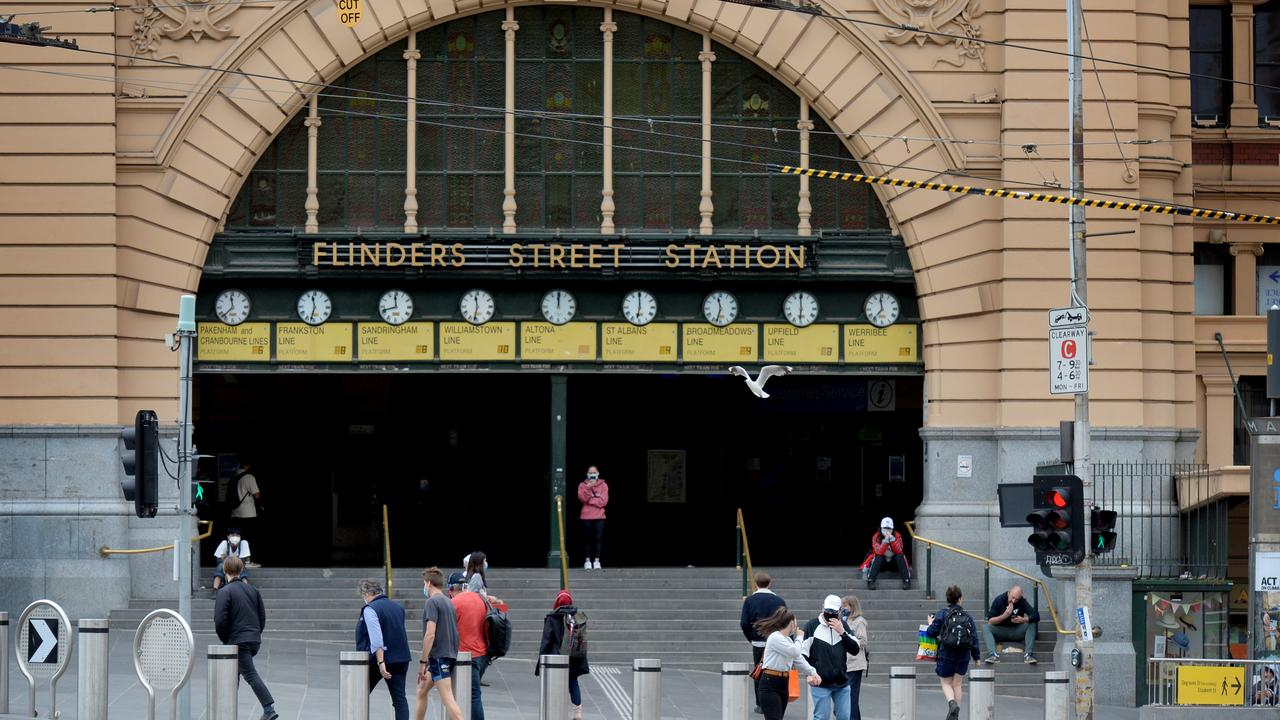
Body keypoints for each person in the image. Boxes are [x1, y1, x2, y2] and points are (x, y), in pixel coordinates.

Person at [213, 556, 278, 720]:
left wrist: (225, 639)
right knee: (233, 672)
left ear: (224, 571)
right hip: (253, 639)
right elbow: (262, 617)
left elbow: (220, 620)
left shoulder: (224, 591)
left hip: (237, 641)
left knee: (249, 673)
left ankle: (268, 709)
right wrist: (255, 634)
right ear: (241, 570)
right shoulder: (253, 590)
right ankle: (226, 708)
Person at [753, 607, 821, 720]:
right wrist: (799, 637)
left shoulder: (788, 640)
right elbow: (795, 652)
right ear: (791, 623)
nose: (796, 625)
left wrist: (813, 672)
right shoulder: (775, 637)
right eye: (795, 621)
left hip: (783, 682)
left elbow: (799, 659)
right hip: (770, 682)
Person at [415, 567, 465, 720]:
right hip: (447, 654)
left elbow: (430, 634)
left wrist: (423, 661)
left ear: (428, 583)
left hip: (438, 657)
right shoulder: (448, 602)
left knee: (447, 698)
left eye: (424, 583)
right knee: (421, 691)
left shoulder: (432, 602)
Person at [357, 579, 411, 720]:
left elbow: (376, 639)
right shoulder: (398, 607)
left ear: (367, 593)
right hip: (401, 658)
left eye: (363, 595)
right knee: (400, 700)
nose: (364, 599)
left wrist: (381, 663)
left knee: (359, 695)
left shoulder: (370, 609)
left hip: (379, 660)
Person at [924, 585, 981, 720]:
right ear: (960, 599)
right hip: (964, 654)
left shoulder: (942, 613)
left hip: (947, 653)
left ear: (948, 599)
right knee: (957, 684)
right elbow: (974, 637)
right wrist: (977, 657)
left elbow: (931, 633)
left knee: (945, 683)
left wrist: (930, 623)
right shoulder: (968, 616)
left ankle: (952, 704)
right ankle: (956, 714)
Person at [801, 595, 861, 720]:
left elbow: (855, 649)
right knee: (821, 717)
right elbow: (803, 654)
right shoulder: (812, 626)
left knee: (844, 717)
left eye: (833, 611)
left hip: (842, 682)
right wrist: (809, 674)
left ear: (840, 611)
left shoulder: (843, 625)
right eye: (828, 610)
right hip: (820, 682)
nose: (830, 614)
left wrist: (842, 632)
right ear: (822, 608)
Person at [537, 590, 590, 720]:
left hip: (556, 658)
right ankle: (577, 712)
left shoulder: (552, 617)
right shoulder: (578, 616)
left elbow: (546, 641)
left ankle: (556, 711)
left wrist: (540, 664)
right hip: (574, 657)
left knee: (555, 684)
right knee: (573, 682)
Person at [740, 571, 787, 714]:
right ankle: (777, 701)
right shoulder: (779, 600)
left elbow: (744, 623)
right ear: (770, 583)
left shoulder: (750, 600)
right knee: (776, 670)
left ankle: (760, 704)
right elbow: (785, 621)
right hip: (777, 641)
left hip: (758, 642)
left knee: (759, 671)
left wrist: (752, 638)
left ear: (755, 584)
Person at [447, 572, 489, 720]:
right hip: (482, 654)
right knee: (473, 695)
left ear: (451, 589)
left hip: (464, 655)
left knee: (469, 696)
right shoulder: (480, 599)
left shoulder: (454, 603)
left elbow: (449, 631)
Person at [981, 584, 1040, 665]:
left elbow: (1036, 616)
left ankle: (1028, 655)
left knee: (1031, 624)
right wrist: (1004, 615)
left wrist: (1023, 619)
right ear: (1009, 592)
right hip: (1000, 631)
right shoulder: (999, 600)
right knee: (986, 627)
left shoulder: (1022, 601)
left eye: (1017, 599)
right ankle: (993, 655)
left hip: (1016, 631)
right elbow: (990, 621)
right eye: (1012, 597)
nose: (1014, 600)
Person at [841, 595, 868, 720]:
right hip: (846, 663)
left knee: (851, 696)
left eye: (845, 605)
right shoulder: (845, 620)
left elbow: (863, 641)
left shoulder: (859, 621)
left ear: (852, 606)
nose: (842, 608)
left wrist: (849, 639)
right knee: (848, 697)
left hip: (855, 663)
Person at [577, 466, 609, 570]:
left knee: (598, 539)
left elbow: (603, 502)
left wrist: (590, 501)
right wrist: (588, 488)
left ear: (598, 473)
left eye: (594, 472)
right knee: (587, 539)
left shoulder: (604, 485)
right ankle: (587, 561)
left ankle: (596, 561)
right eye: (590, 472)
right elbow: (583, 498)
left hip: (600, 516)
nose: (592, 474)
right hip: (586, 516)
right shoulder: (582, 485)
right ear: (587, 474)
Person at [865, 517, 910, 590]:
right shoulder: (876, 537)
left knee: (900, 556)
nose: (887, 530)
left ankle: (906, 580)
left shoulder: (897, 536)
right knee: (878, 557)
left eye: (889, 528)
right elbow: (878, 552)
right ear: (881, 528)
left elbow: (899, 550)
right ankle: (871, 580)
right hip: (881, 564)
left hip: (894, 564)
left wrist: (893, 541)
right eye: (885, 528)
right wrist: (885, 542)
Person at [230, 461, 262, 563]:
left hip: (235, 511)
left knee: (236, 537)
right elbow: (257, 495)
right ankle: (248, 560)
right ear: (248, 465)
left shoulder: (235, 476)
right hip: (248, 513)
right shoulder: (249, 477)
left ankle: (236, 559)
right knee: (249, 537)